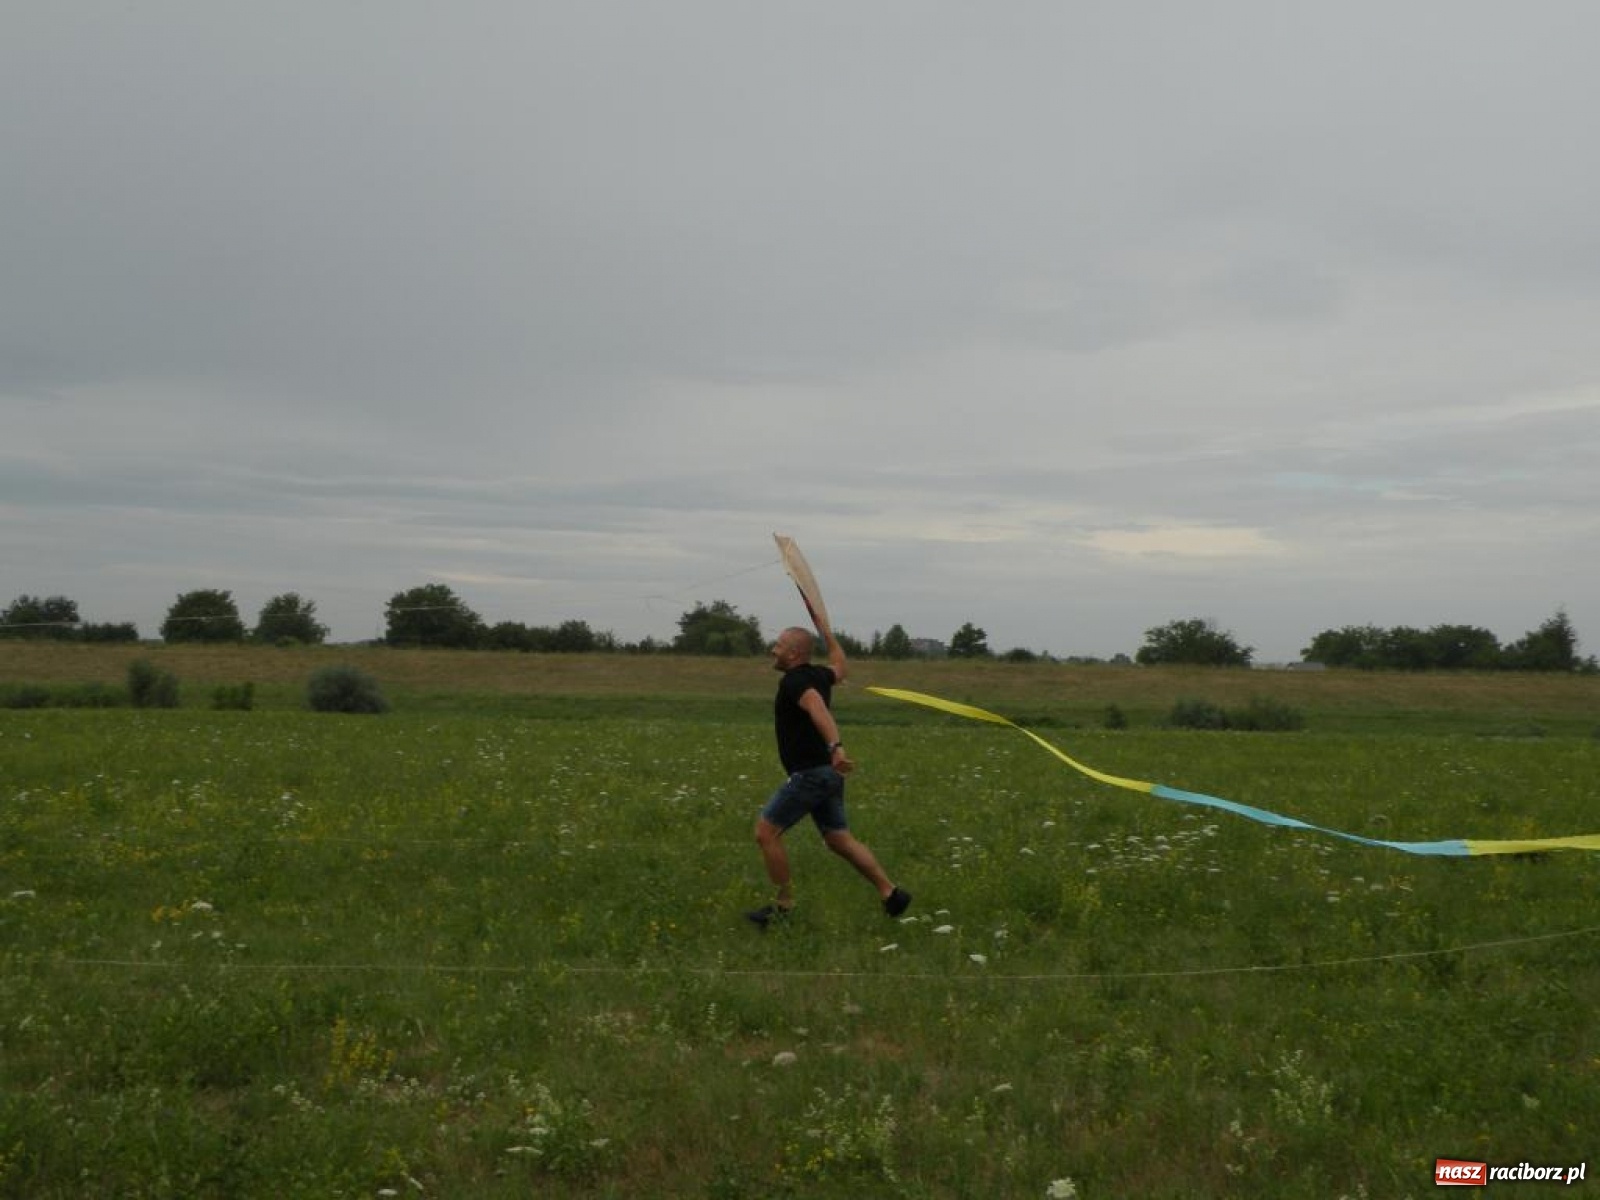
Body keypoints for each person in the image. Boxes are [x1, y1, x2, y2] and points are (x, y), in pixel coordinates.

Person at [746, 624, 911, 927]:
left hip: (811, 774)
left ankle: (783, 907)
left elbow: (817, 708)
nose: (773, 650)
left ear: (794, 654)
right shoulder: (820, 675)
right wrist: (829, 634)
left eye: (779, 646)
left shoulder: (795, 682)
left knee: (766, 833)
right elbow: (841, 667)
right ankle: (891, 893)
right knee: (838, 839)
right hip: (827, 776)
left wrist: (836, 746)